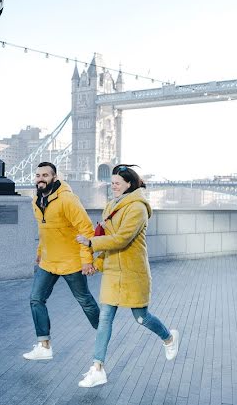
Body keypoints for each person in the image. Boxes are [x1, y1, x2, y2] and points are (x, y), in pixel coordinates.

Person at [75, 164, 178, 387]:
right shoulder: (111, 206)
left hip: (133, 273)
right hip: (113, 273)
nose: (113, 186)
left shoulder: (138, 208)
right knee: (105, 319)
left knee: (141, 318)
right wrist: (96, 263)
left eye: (117, 183)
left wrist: (91, 243)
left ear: (129, 184)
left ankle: (169, 338)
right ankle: (97, 368)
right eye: (111, 183)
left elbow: (121, 239)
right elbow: (110, 243)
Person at [22, 162, 100, 361]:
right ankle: (44, 345)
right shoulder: (36, 200)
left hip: (71, 261)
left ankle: (103, 331)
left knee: (85, 300)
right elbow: (44, 230)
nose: (40, 178)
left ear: (54, 178)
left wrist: (86, 260)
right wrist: (40, 252)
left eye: (45, 175)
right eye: (38, 175)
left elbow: (86, 229)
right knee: (36, 299)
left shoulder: (68, 199)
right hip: (48, 261)